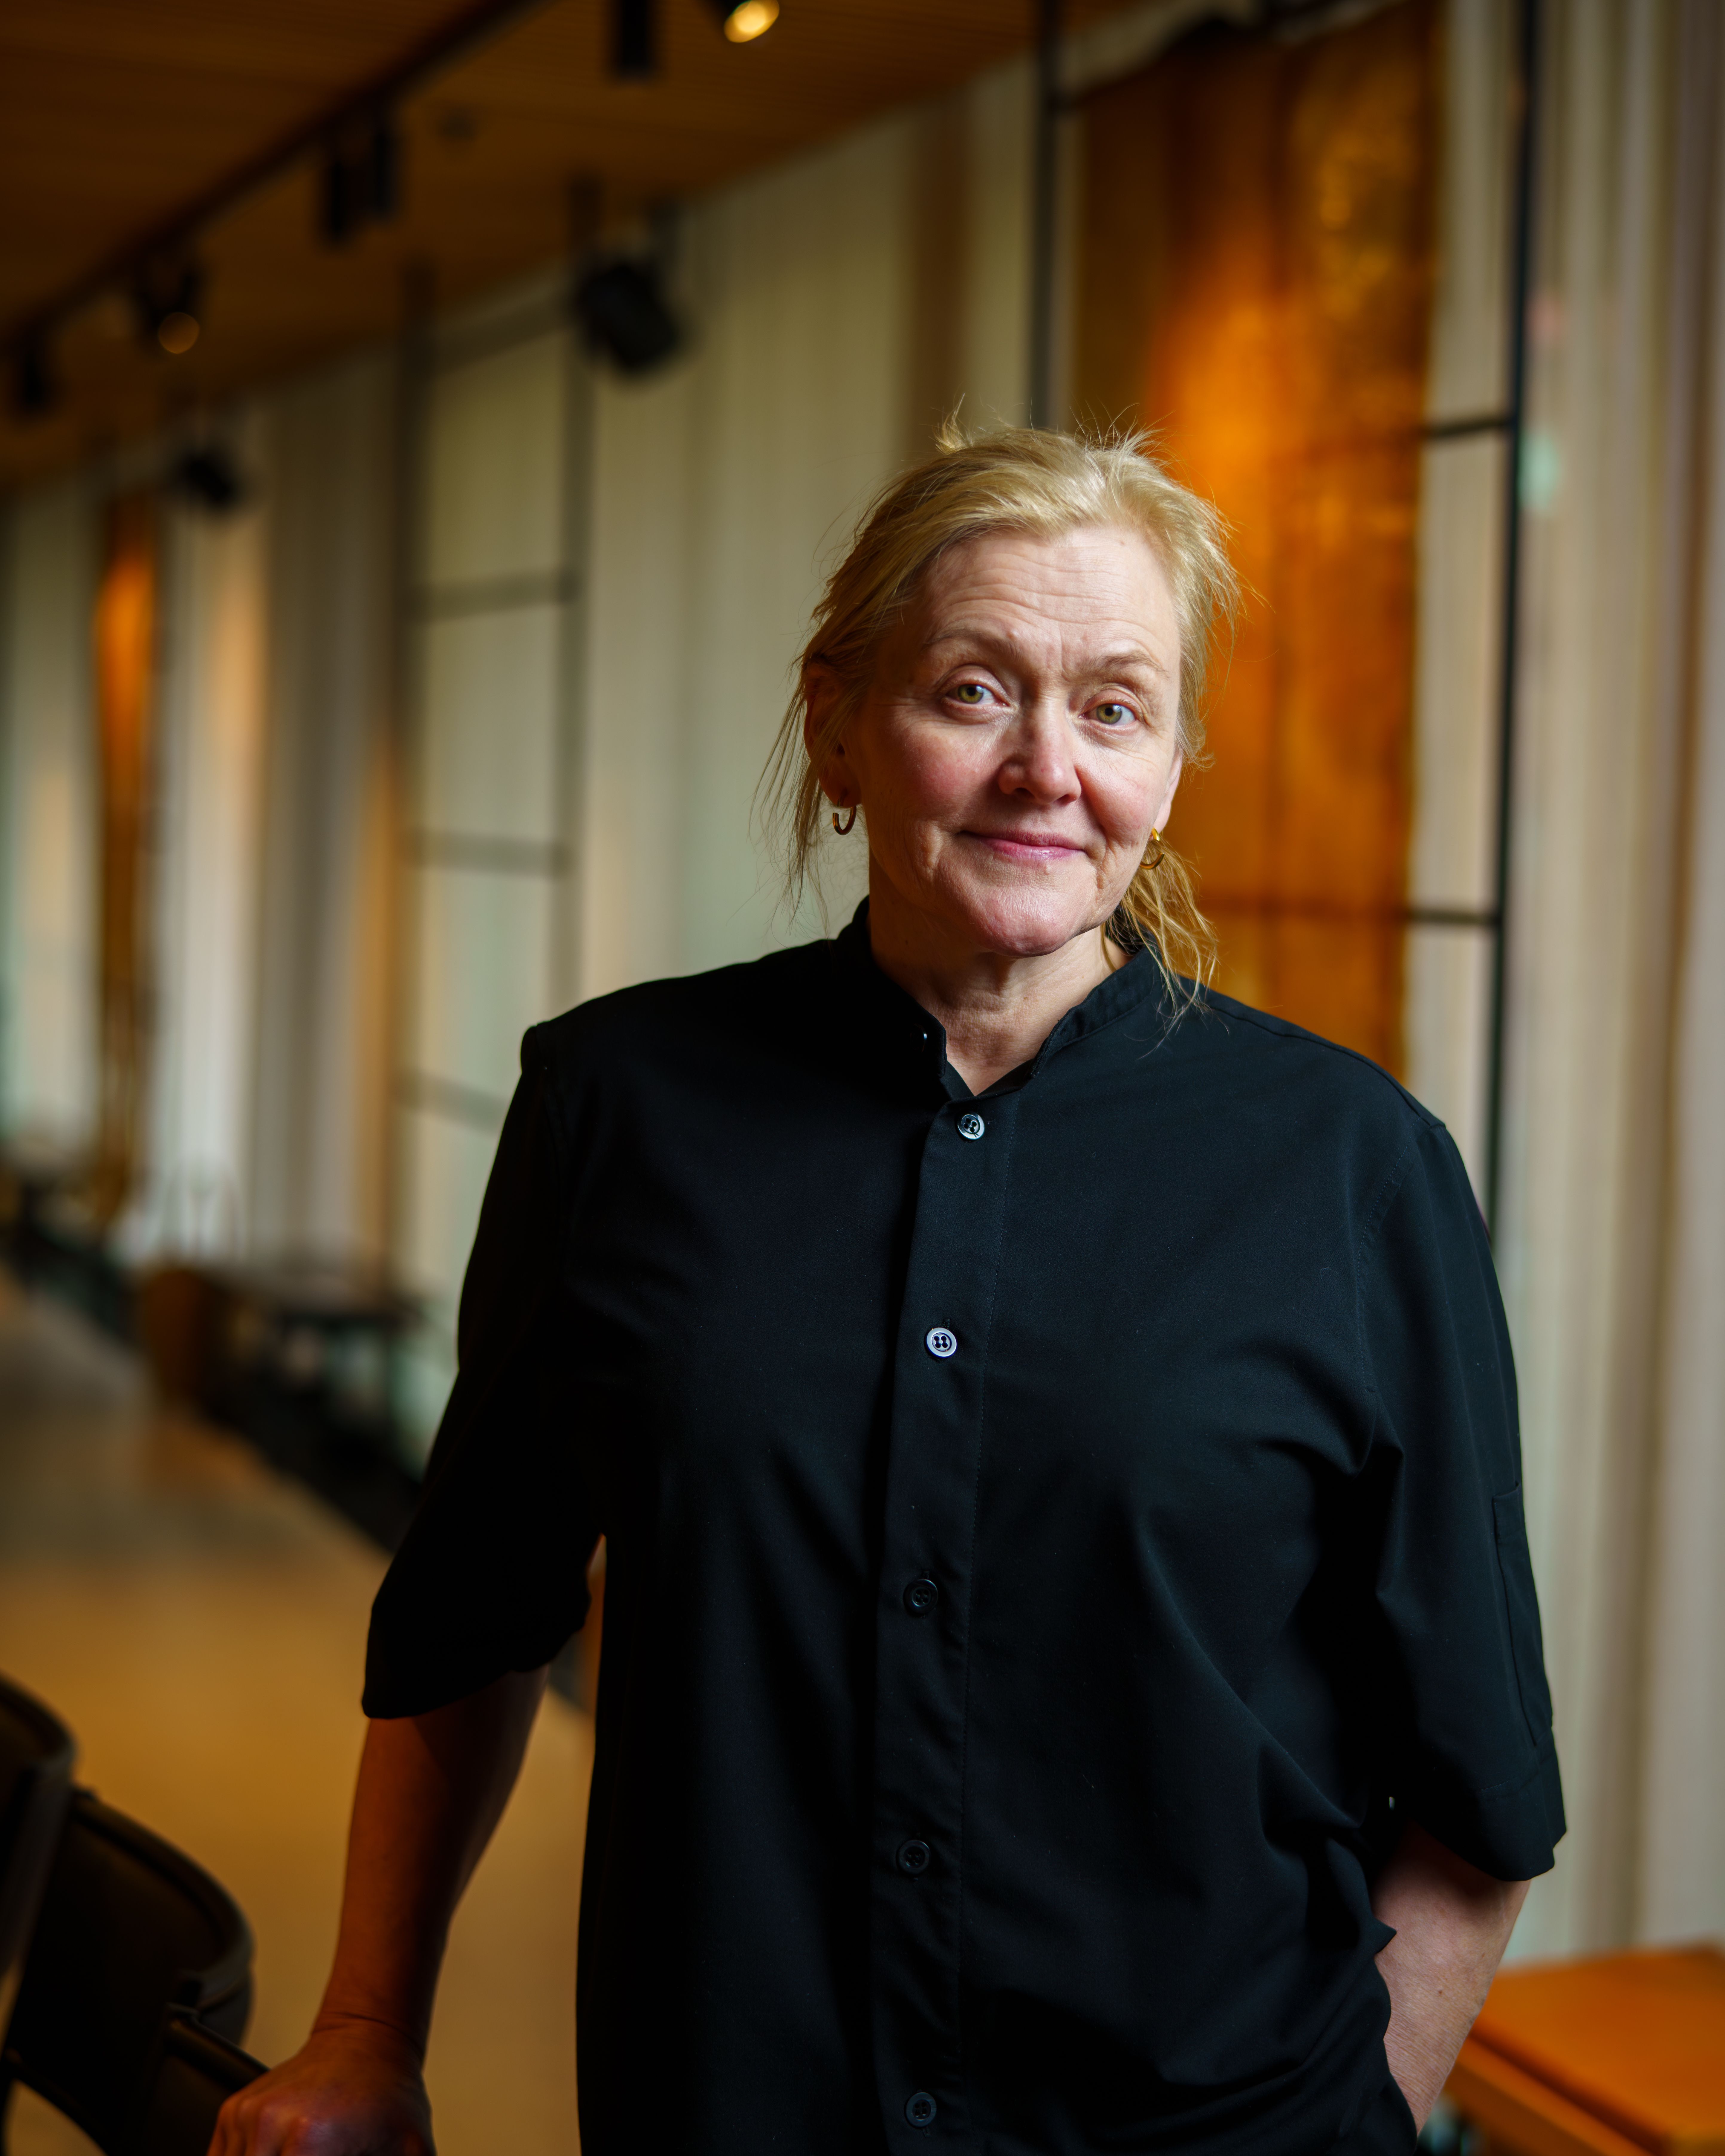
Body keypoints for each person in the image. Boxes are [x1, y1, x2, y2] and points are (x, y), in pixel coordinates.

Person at [214, 426, 1562, 2156]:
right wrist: (362, 2033)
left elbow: (1477, 1785)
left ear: (1172, 764)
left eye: (1116, 708)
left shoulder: (1356, 1171)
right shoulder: (618, 1110)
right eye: (977, 690)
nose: (1047, 770)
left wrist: (1359, 2125)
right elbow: (471, 1621)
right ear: (839, 722)